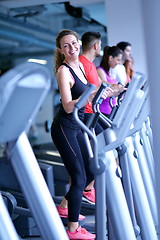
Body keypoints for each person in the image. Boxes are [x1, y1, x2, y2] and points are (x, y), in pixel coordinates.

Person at [51, 29, 110, 239]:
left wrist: (100, 93)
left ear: (78, 43)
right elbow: (68, 106)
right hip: (64, 128)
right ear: (61, 50)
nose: (72, 48)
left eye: (74, 43)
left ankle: (66, 205)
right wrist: (90, 94)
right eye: (66, 45)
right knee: (79, 177)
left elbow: (88, 98)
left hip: (79, 126)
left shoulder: (81, 67)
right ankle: (73, 230)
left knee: (92, 171)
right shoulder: (64, 71)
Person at [79, 32, 124, 204]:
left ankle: (89, 188)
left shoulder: (89, 65)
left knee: (106, 146)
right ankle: (86, 189)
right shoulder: (84, 64)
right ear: (96, 45)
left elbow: (99, 89)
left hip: (93, 112)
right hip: (87, 113)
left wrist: (115, 90)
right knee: (93, 153)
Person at [97, 46, 123, 118]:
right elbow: (104, 84)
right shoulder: (100, 70)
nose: (118, 63)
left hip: (111, 110)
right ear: (110, 58)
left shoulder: (109, 72)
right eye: (118, 60)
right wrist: (118, 86)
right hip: (103, 111)